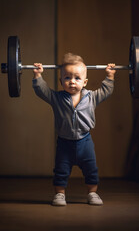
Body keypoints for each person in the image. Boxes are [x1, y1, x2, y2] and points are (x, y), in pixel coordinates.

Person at [32, 53, 116, 206]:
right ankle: (59, 194)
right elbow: (42, 91)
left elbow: (106, 91)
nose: (72, 82)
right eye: (67, 78)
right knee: (60, 170)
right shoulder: (57, 98)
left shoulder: (91, 97)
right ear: (61, 81)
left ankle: (92, 193)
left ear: (85, 82)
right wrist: (38, 76)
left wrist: (109, 77)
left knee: (91, 169)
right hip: (64, 143)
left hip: (85, 141)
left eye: (77, 78)